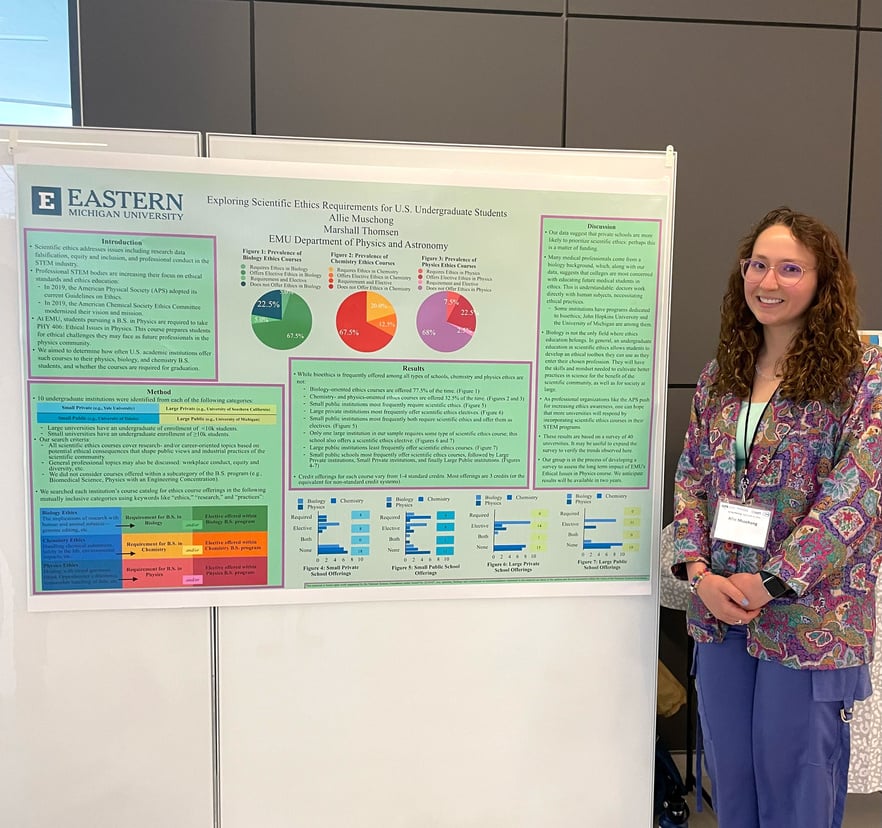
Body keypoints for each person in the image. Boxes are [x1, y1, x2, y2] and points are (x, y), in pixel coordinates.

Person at [671, 207, 882, 828]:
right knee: (732, 783)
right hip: (720, 611)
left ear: (823, 281)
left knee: (796, 787)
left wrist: (771, 582)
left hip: (809, 618)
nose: (769, 280)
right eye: (758, 265)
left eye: (790, 268)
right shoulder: (720, 378)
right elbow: (690, 481)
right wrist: (699, 572)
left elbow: (859, 497)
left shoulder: (860, 379)